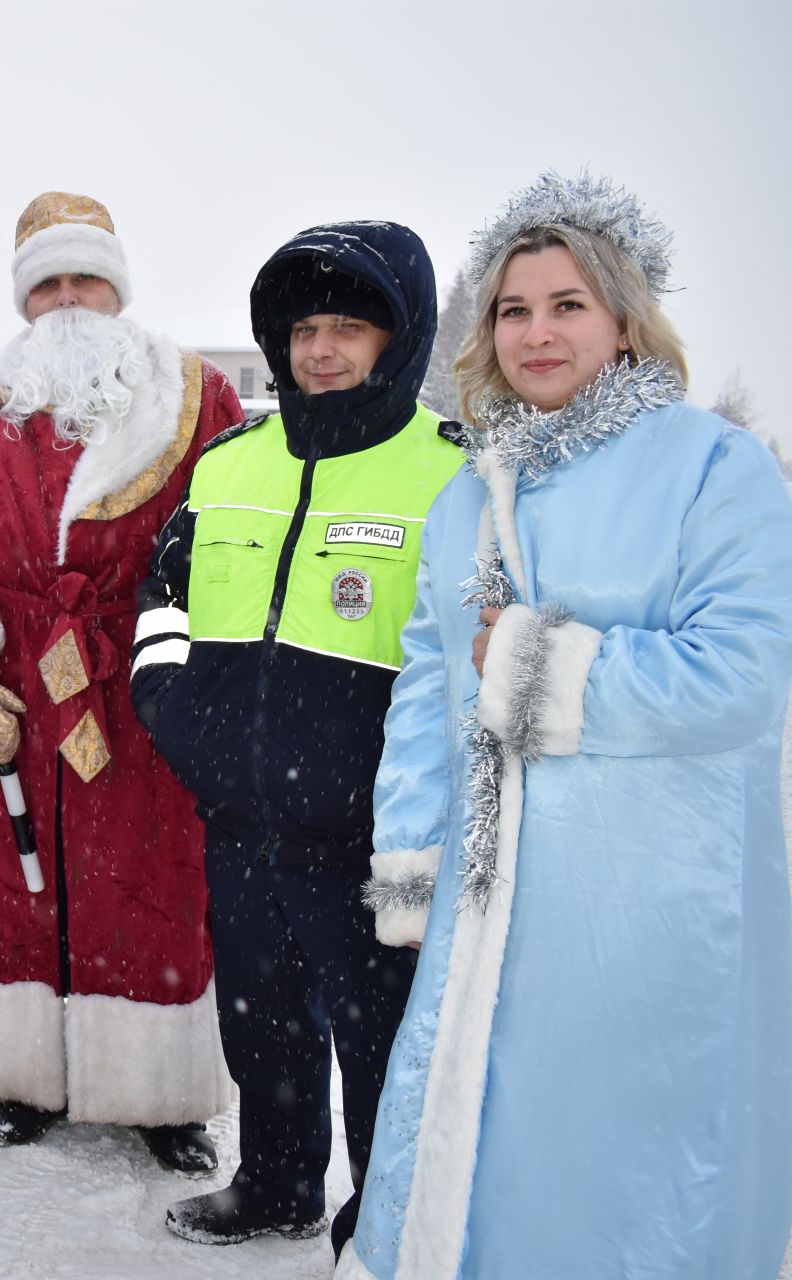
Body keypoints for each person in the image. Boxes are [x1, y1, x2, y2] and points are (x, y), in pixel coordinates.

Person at [336, 173, 792, 1279]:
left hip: (653, 914)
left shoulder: (712, 464)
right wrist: (410, 856)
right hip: (487, 913)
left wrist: (539, 665)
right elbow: (425, 687)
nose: (537, 332)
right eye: (512, 308)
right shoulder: (468, 492)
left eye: (568, 303)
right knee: (470, 1163)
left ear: (625, 316)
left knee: (629, 1184)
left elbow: (742, 673)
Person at [0, 191, 241, 1173]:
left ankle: (163, 1096)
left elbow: (231, 544)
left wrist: (198, 670)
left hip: (146, 682)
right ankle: (23, 1075)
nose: (69, 299)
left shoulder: (196, 399)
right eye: (49, 282)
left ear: (117, 290)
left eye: (86, 278)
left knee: (153, 890)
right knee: (18, 887)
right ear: (25, 298)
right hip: (17, 687)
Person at [130, 220, 463, 1252]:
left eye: (348, 328)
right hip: (242, 817)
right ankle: (277, 1182)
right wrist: (173, 713)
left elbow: (466, 653)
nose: (320, 350)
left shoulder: (450, 472)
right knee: (262, 1020)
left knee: (381, 1042)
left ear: (397, 339)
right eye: (305, 327)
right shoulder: (230, 464)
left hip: (375, 836)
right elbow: (162, 606)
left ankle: (382, 1216)